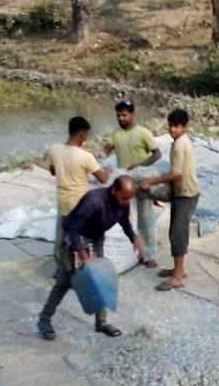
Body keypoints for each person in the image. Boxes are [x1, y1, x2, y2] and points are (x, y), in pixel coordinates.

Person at [37, 176, 144, 341]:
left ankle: (101, 323)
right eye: (123, 197)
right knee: (65, 281)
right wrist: (80, 251)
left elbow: (124, 222)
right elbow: (72, 228)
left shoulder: (123, 201)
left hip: (95, 237)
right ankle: (44, 320)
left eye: (129, 199)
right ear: (114, 190)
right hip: (73, 237)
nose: (126, 202)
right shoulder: (94, 201)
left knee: (100, 279)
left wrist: (133, 238)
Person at [139, 109, 199, 291]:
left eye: (177, 126)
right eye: (171, 125)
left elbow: (176, 173)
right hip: (183, 193)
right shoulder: (179, 142)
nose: (172, 129)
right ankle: (178, 270)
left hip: (186, 194)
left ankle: (178, 277)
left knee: (177, 234)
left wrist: (151, 180)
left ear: (184, 127)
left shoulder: (180, 145)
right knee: (176, 231)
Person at [103, 98, 163, 267]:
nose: (121, 118)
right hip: (123, 183)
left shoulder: (142, 133)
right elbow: (108, 149)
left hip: (140, 181)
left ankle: (148, 255)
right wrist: (103, 158)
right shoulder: (116, 133)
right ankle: (127, 253)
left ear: (132, 114)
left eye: (124, 115)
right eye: (118, 115)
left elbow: (157, 154)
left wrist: (139, 166)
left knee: (145, 218)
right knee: (124, 217)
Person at [48, 116, 110, 268]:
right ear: (82, 135)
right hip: (81, 204)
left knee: (62, 237)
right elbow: (102, 179)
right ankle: (91, 264)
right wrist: (107, 170)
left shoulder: (54, 149)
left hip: (63, 202)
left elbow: (53, 171)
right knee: (89, 237)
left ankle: (61, 268)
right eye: (86, 135)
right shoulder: (86, 156)